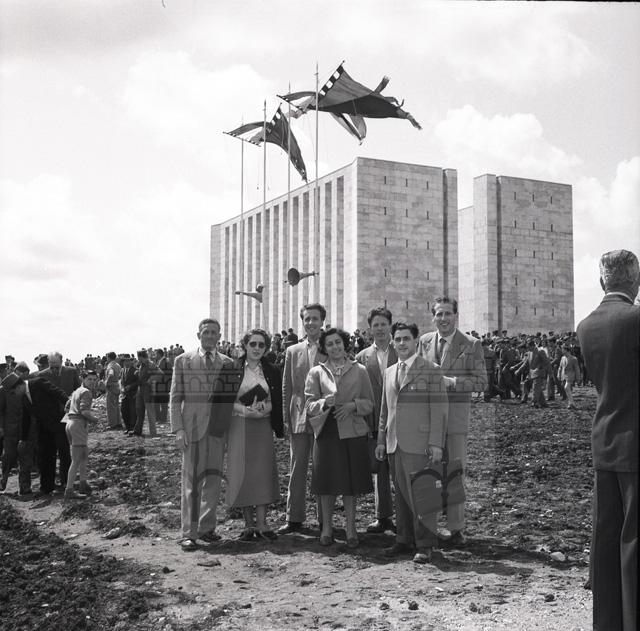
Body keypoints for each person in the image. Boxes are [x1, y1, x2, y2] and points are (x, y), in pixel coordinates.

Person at [577, 249, 639, 631]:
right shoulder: (635, 319)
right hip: (635, 440)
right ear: (636, 280)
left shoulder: (586, 325)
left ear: (602, 281)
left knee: (606, 537)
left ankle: (607, 622)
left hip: (604, 438)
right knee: (634, 539)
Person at [376, 322, 448, 564]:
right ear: (393, 342)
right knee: (401, 495)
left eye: (406, 338)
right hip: (394, 444)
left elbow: (439, 410)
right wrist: (381, 440)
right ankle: (403, 539)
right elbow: (385, 411)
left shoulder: (431, 370)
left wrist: (436, 443)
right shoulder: (389, 372)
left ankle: (425, 545)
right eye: (397, 339)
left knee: (423, 495)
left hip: (421, 444)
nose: (402, 343)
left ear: (416, 341)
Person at [418, 297, 487, 546]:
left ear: (456, 316)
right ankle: (429, 526)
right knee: (430, 473)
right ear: (433, 317)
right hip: (428, 421)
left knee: (455, 474)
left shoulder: (471, 344)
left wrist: (453, 382)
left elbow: (482, 382)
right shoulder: (424, 341)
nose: (443, 319)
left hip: (455, 421)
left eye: (448, 314)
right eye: (439, 314)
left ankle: (456, 528)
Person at [170, 318, 240, 551]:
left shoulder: (228, 363)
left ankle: (206, 527)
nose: (210, 336)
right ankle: (188, 533)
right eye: (206, 332)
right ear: (198, 334)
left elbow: (229, 399)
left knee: (213, 480)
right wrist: (178, 429)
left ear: (219, 336)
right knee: (191, 482)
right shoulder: (183, 361)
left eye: (214, 332)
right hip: (192, 429)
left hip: (217, 429)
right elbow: (175, 398)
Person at [305, 328, 374, 547]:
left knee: (350, 484)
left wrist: (353, 406)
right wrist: (324, 403)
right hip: (327, 432)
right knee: (326, 482)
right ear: (324, 349)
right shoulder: (316, 372)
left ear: (345, 344)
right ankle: (326, 528)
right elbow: (308, 405)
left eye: (338, 342)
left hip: (352, 431)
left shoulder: (360, 370)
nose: (334, 347)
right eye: (329, 344)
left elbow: (370, 403)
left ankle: (351, 528)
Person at [227, 329, 283, 541]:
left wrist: (265, 409)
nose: (257, 348)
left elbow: (275, 399)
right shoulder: (232, 368)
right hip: (239, 424)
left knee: (262, 472)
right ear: (245, 345)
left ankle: (262, 523)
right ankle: (248, 525)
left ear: (266, 348)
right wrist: (245, 411)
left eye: (261, 345)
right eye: (253, 344)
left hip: (262, 425)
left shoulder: (272, 370)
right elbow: (224, 401)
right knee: (241, 472)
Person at [279, 303, 328, 535]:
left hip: (323, 417)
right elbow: (287, 386)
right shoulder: (292, 350)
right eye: (307, 319)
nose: (310, 323)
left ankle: (324, 519)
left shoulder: (330, 346)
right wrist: (286, 418)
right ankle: (294, 517)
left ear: (322, 321)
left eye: (315, 318)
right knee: (297, 467)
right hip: (298, 415)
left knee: (322, 467)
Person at [355, 306, 398, 534]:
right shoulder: (361, 357)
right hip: (373, 421)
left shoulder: (401, 351)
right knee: (379, 469)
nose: (380, 329)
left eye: (383, 324)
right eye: (376, 325)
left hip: (399, 419)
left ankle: (406, 516)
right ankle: (383, 516)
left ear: (390, 326)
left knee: (400, 470)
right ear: (370, 329)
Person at [20, 372, 70, 496]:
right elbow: (26, 417)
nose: (14, 395)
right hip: (43, 429)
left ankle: (67, 483)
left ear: (19, 386)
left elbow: (58, 393)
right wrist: (23, 438)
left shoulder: (38, 383)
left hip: (58, 424)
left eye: (14, 392)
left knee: (64, 454)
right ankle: (47, 487)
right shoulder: (23, 397)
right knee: (45, 457)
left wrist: (69, 403)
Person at [63, 370, 100, 499]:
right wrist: (95, 420)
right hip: (78, 424)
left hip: (70, 423)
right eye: (89, 379)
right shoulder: (86, 392)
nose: (92, 382)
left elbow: (66, 407)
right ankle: (69, 490)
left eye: (94, 379)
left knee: (83, 455)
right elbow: (84, 411)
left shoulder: (77, 391)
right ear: (83, 379)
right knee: (76, 459)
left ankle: (83, 483)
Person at [0, 363, 33, 494]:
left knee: (25, 458)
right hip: (10, 429)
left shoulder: (26, 388)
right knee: (8, 456)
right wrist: (1, 427)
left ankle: (25, 486)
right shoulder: (3, 391)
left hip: (25, 429)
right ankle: (3, 482)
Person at [133, 350, 162, 437]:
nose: (138, 359)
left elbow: (160, 373)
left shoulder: (150, 364)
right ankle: (137, 431)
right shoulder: (141, 365)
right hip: (141, 390)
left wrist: (151, 379)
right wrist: (137, 372)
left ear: (141, 356)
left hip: (148, 391)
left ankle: (153, 432)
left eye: (138, 357)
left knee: (150, 412)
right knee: (139, 411)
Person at [104, 352, 123, 429]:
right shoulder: (117, 365)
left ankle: (112, 424)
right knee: (116, 405)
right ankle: (118, 422)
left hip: (111, 386)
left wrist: (107, 382)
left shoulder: (110, 365)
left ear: (109, 357)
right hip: (117, 385)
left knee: (111, 406)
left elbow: (111, 374)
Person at [120, 355, 138, 433]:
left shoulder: (135, 370)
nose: (126, 362)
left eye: (128, 361)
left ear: (131, 361)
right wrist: (122, 388)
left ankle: (132, 428)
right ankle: (127, 427)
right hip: (125, 394)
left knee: (133, 412)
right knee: (124, 411)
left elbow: (138, 381)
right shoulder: (122, 370)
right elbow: (122, 381)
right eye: (125, 361)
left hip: (133, 394)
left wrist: (131, 386)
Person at [558, 345, 579, 410]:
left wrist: (578, 378)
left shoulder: (574, 359)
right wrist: (559, 374)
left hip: (570, 376)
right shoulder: (562, 358)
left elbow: (577, 369)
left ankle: (572, 403)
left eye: (563, 350)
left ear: (567, 350)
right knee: (568, 390)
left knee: (566, 387)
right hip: (563, 375)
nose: (562, 351)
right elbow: (560, 367)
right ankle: (570, 403)